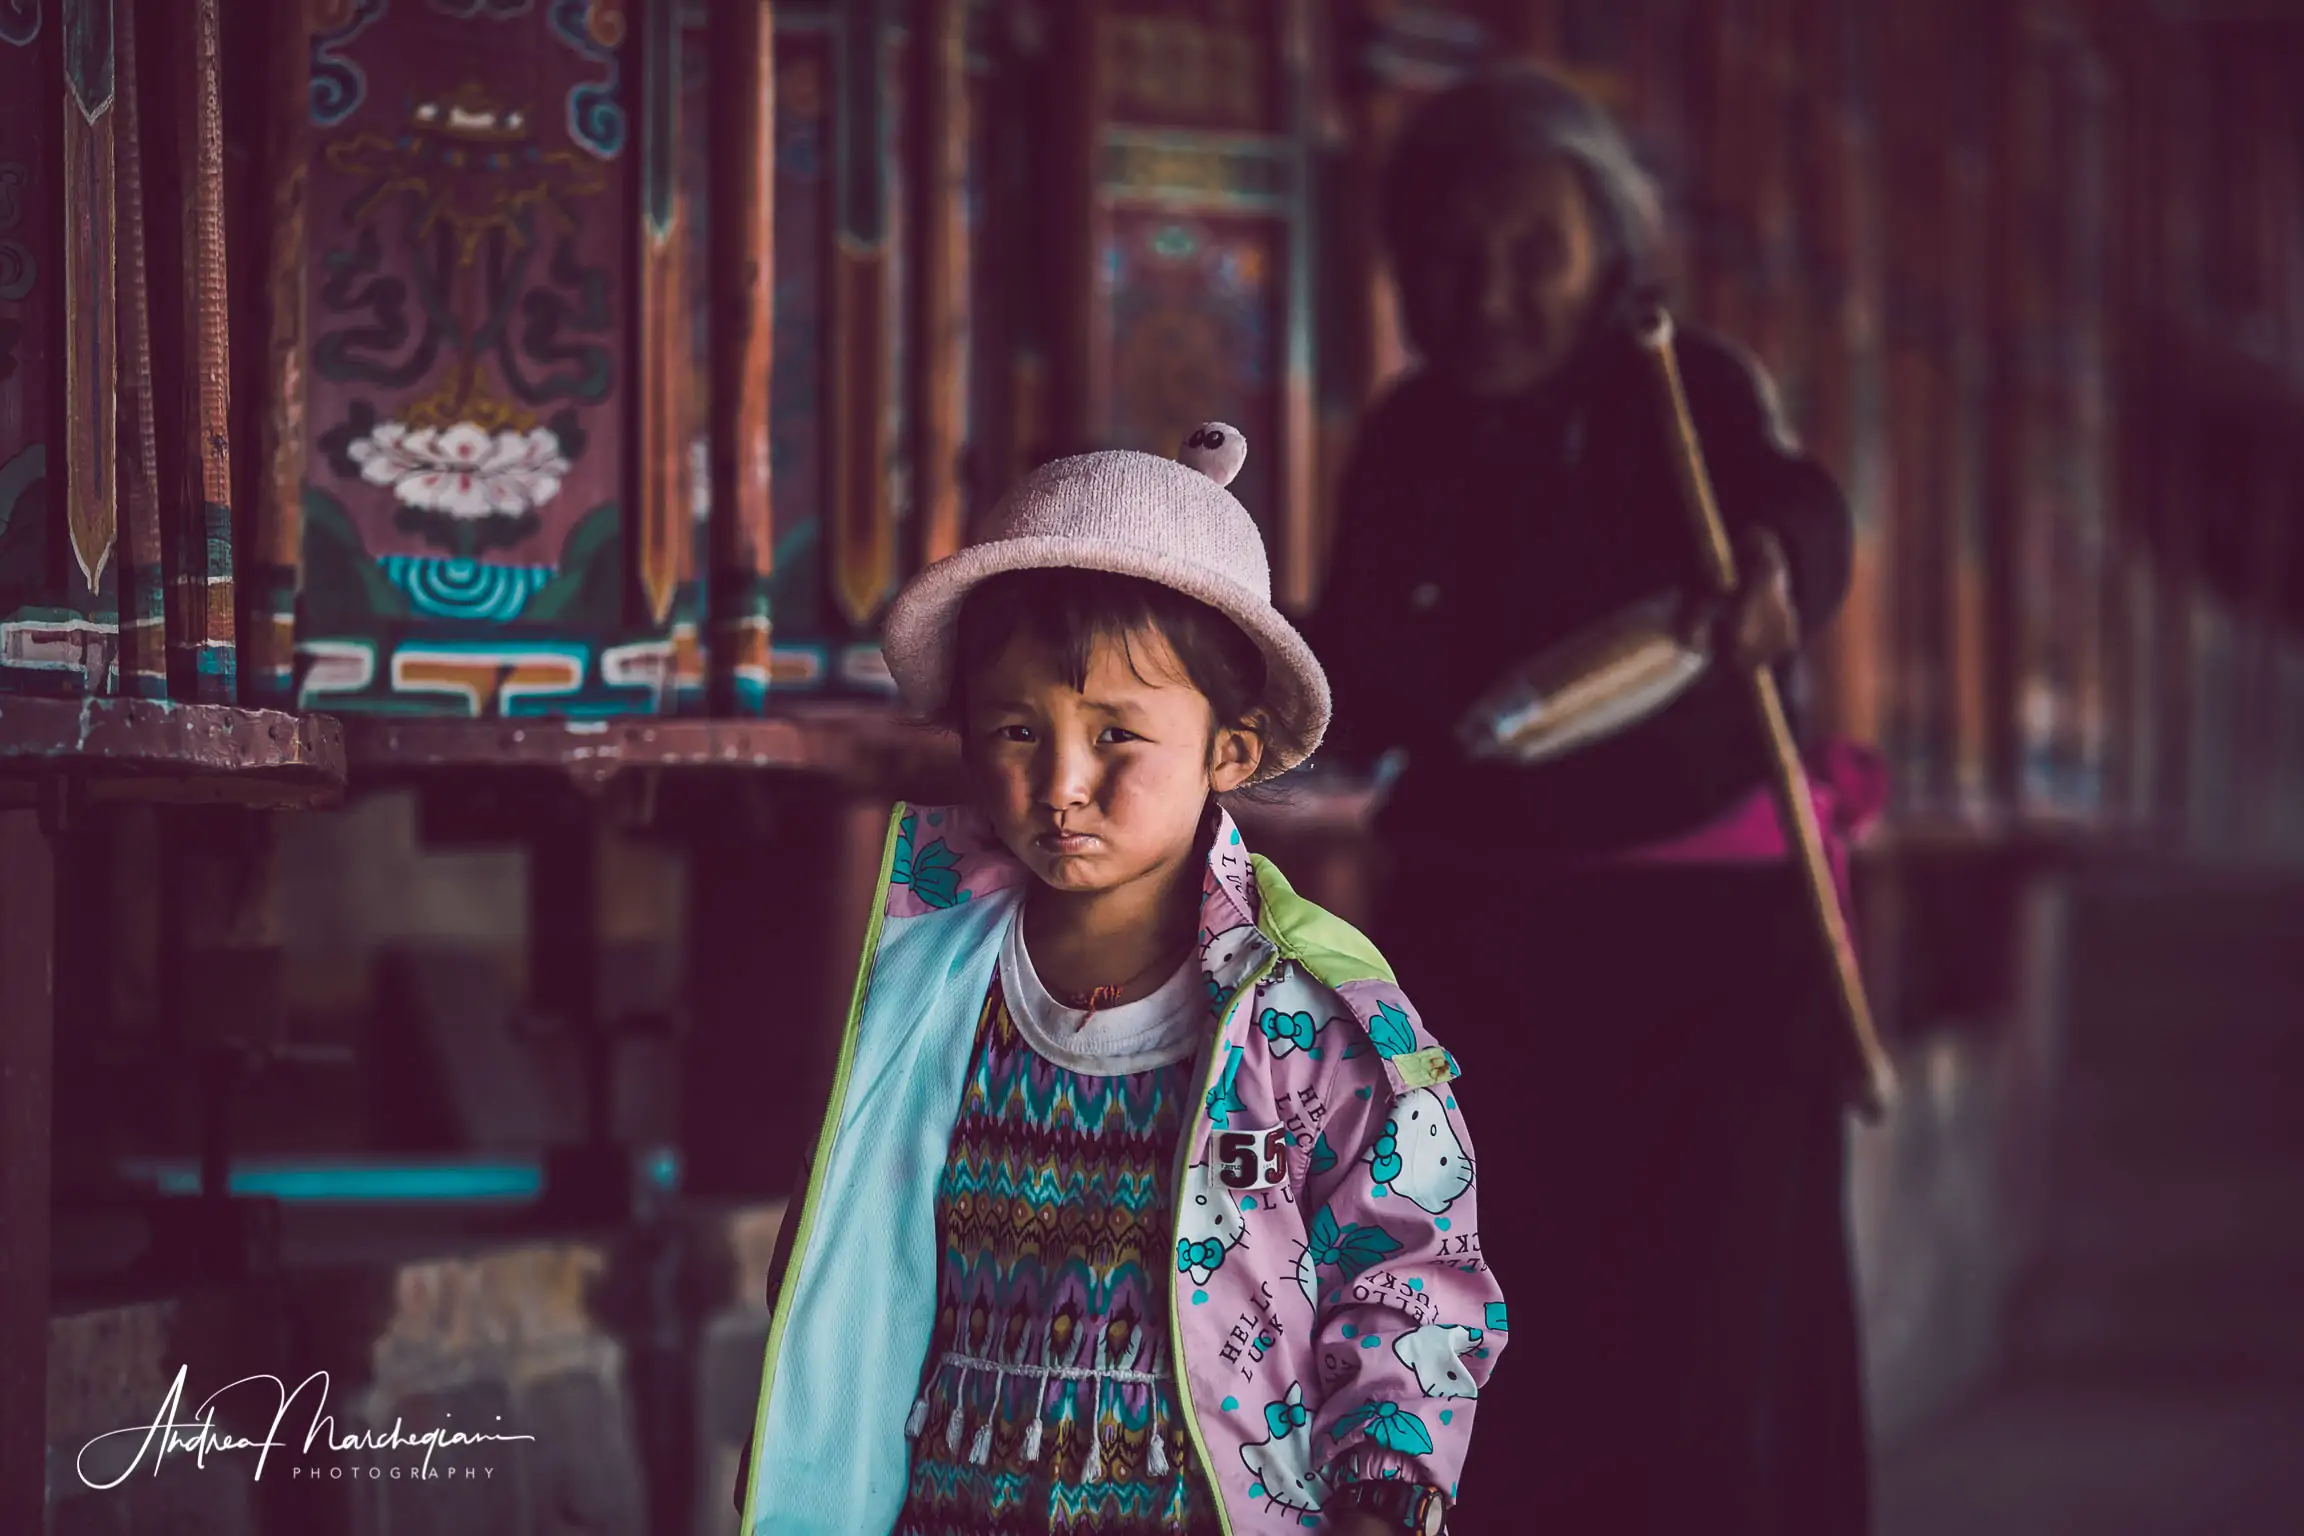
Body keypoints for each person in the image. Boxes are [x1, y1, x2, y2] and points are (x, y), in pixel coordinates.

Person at [735, 423, 1504, 1536]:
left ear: (1228, 752)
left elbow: (1415, 1268)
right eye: (1015, 728)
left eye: (1117, 736)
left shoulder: (1307, 1016)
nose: (1061, 784)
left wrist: (1384, 1490)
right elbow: (842, 1251)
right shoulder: (929, 981)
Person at [1306, 66, 1877, 1535]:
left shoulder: (1687, 395)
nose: (1486, 290)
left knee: (1707, 1366)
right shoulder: (1413, 434)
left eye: (1529, 249)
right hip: (1482, 974)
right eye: (1447, 253)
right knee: (1502, 1346)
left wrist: (1777, 575)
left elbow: (1795, 509)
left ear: (1608, 250)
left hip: (1711, 979)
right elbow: (1364, 683)